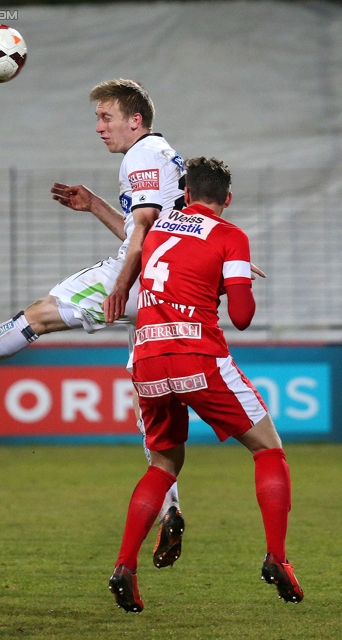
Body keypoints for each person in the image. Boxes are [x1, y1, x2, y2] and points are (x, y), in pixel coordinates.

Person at [0, 79, 188, 566]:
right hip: (170, 290)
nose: (99, 127)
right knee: (151, 410)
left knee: (37, 315)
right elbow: (152, 227)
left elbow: (141, 233)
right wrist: (96, 204)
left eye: (106, 117)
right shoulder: (165, 155)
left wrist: (121, 286)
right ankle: (170, 512)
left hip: (137, 278)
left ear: (135, 119)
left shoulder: (140, 156)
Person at [108, 157, 304, 613]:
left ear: (186, 195)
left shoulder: (157, 228)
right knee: (268, 450)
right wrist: (235, 277)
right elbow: (242, 317)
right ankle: (277, 557)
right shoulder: (231, 237)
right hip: (198, 356)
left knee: (162, 465)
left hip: (148, 359)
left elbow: (154, 261)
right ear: (227, 199)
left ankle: (124, 567)